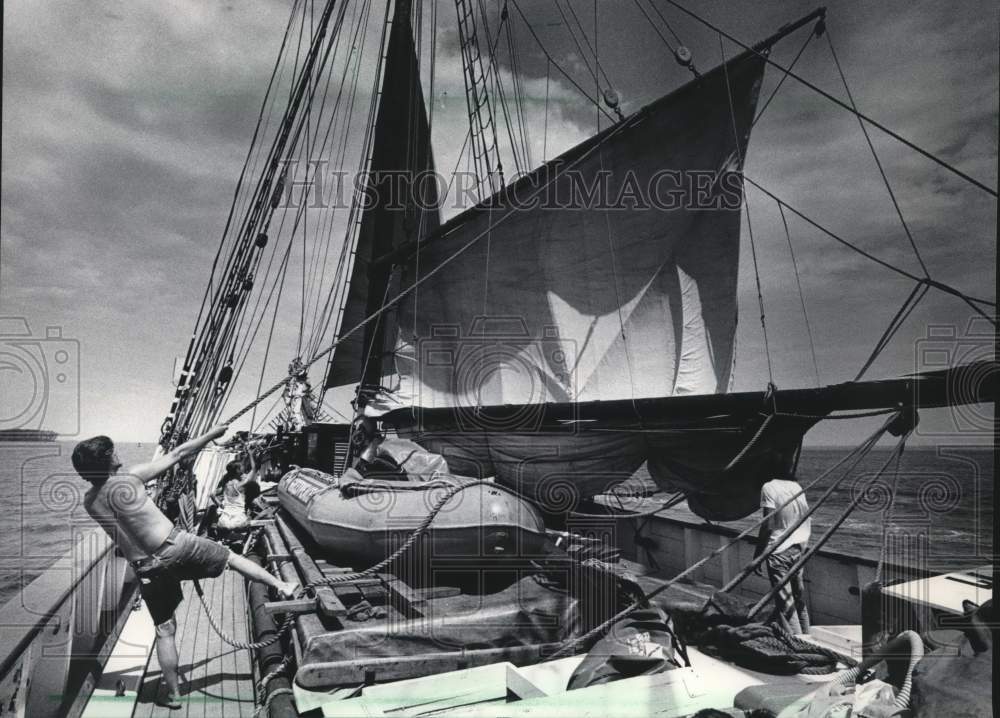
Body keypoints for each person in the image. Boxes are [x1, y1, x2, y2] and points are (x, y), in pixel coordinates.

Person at [74, 427, 297, 709]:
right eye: (112, 451)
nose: (118, 453)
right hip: (176, 547)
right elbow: (179, 453)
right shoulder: (130, 480)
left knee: (165, 631)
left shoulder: (89, 502)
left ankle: (174, 694)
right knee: (232, 557)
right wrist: (212, 434)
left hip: (146, 568)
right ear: (107, 459)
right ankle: (283, 586)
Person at [753, 474, 811, 635]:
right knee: (798, 600)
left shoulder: (769, 487)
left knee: (786, 602)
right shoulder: (796, 486)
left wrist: (758, 556)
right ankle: (808, 637)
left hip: (779, 551)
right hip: (800, 548)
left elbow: (768, 524)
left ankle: (798, 644)